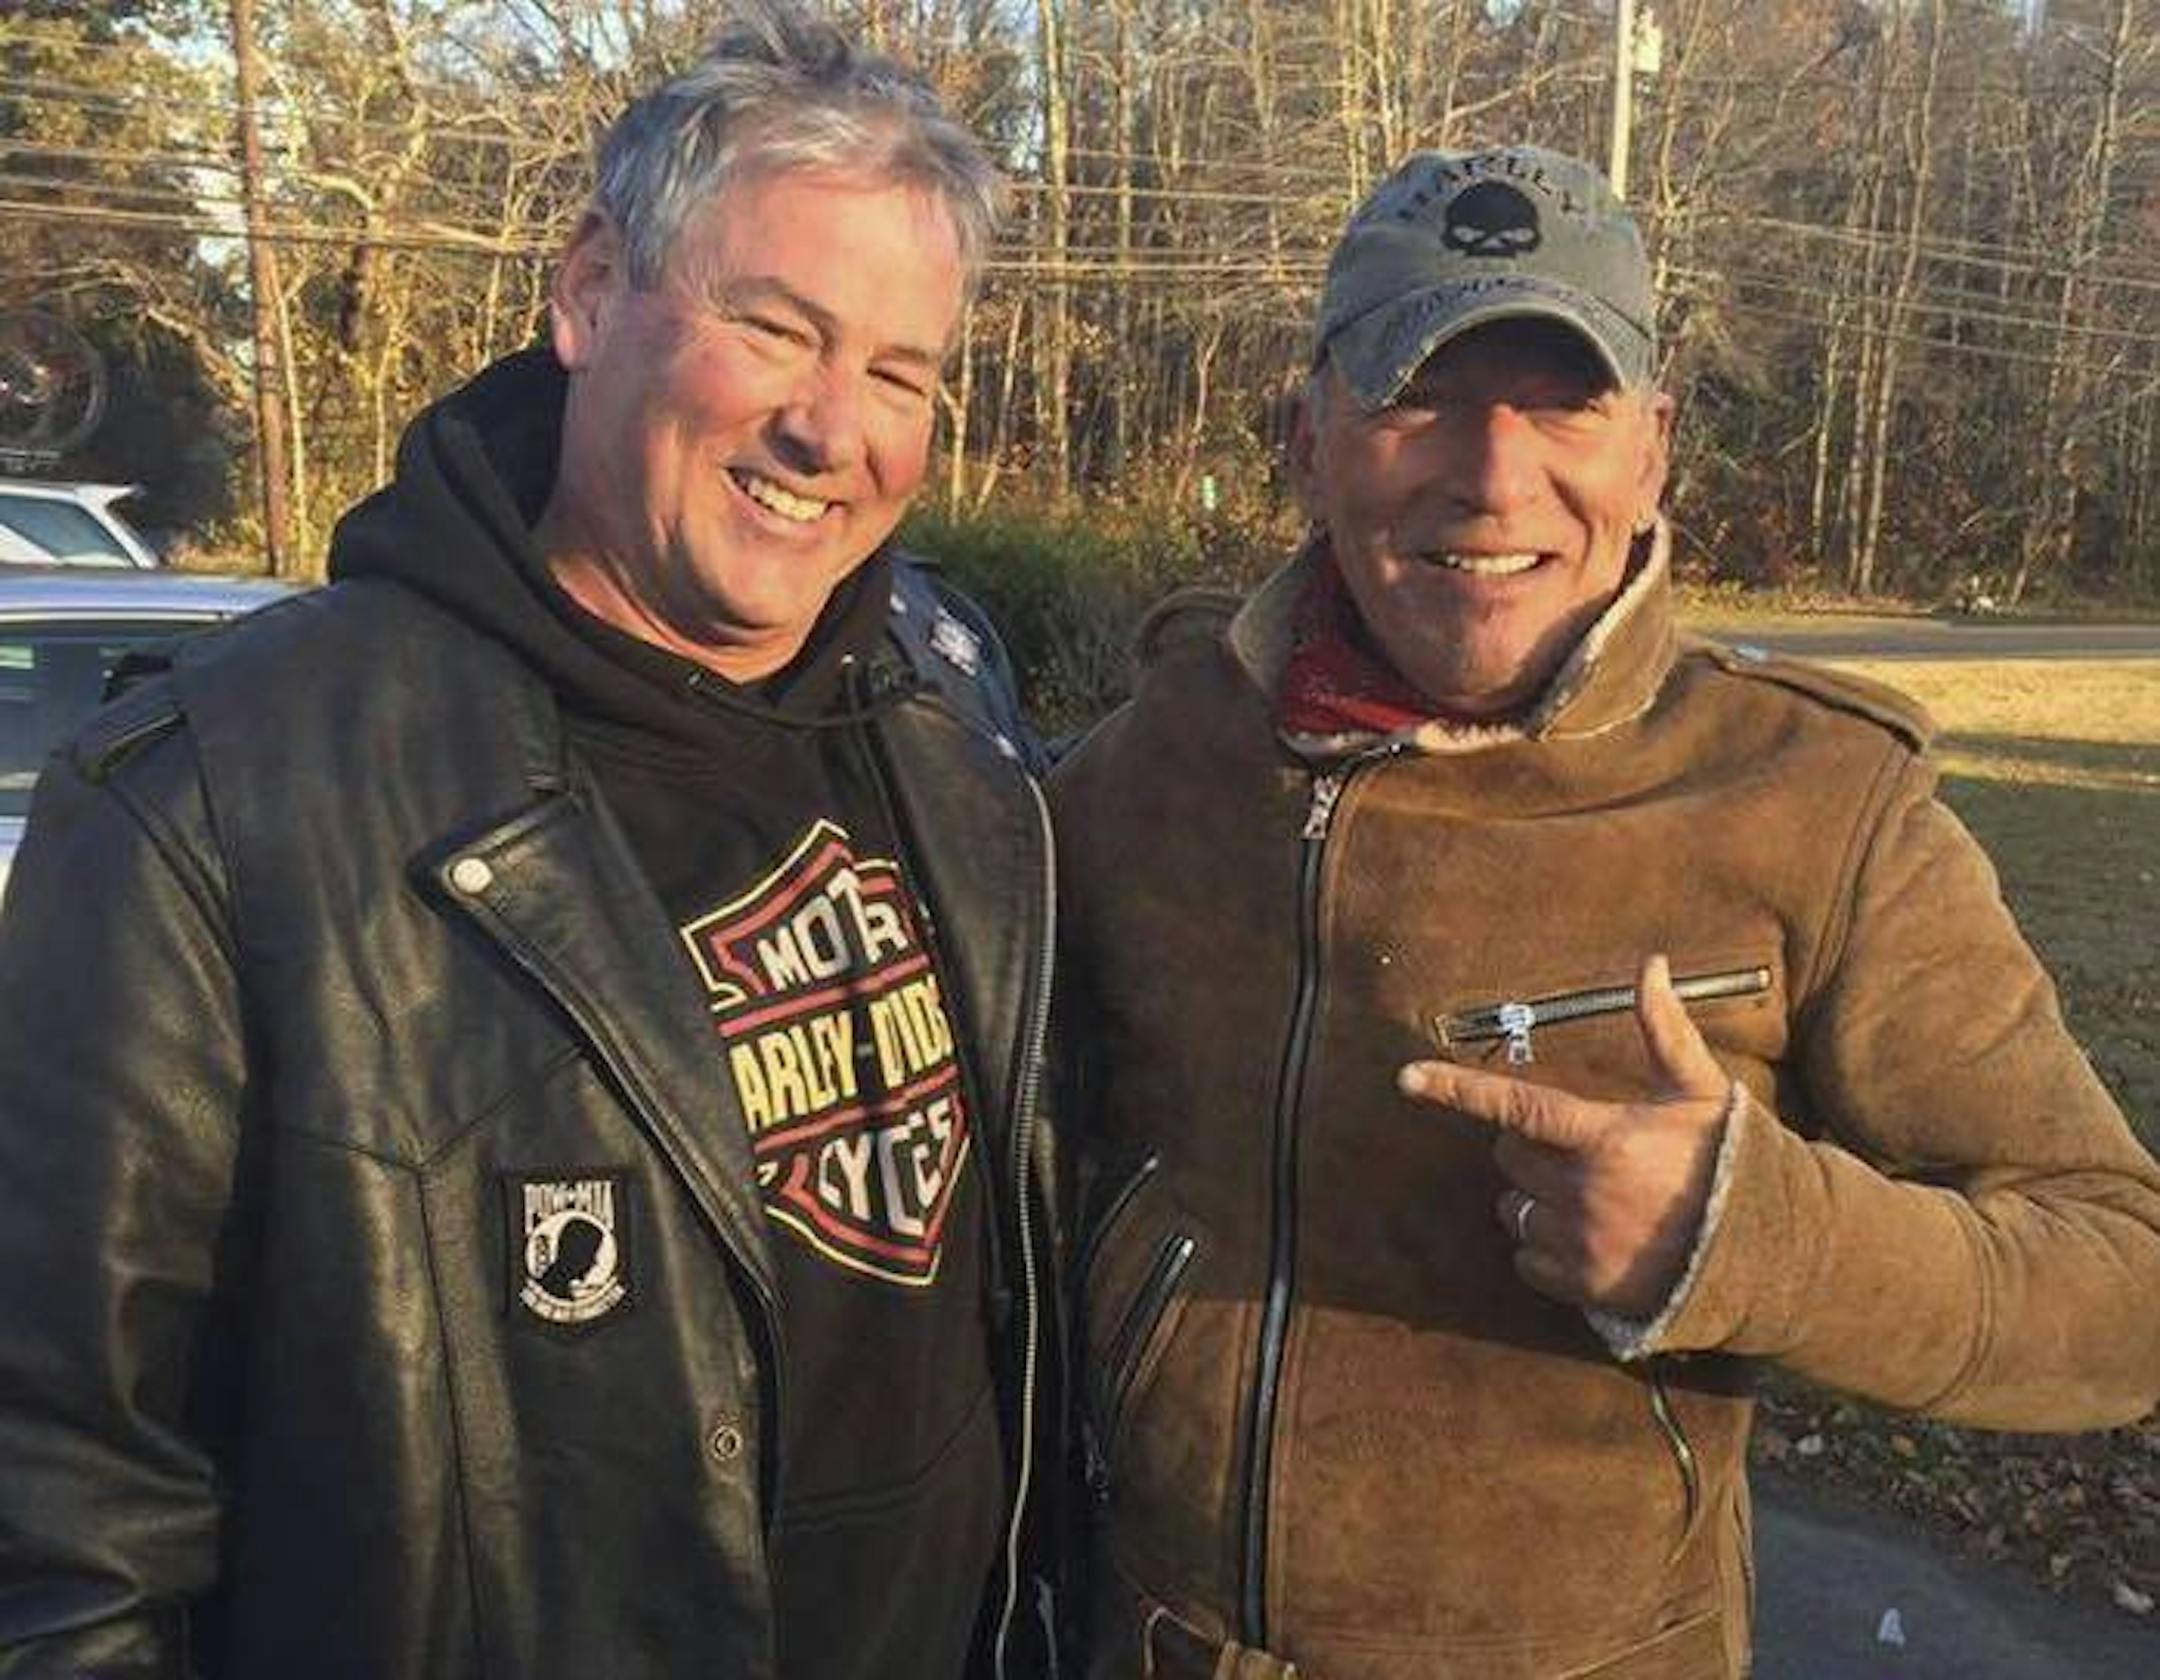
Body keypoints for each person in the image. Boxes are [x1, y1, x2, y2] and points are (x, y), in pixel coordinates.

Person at [0, 7, 1062, 1677]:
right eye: (773, 329)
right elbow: (61, 1522)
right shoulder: (218, 802)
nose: (831, 428)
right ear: (586, 294)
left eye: (898, 373)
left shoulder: (956, 764)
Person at [1049, 145, 2160, 1679]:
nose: (1494, 476)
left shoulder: (1816, 804)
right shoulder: (1153, 764)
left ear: (1655, 449)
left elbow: (2121, 1284)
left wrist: (1751, 1238)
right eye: (1420, 394)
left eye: (1562, 402)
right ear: (1308, 440)